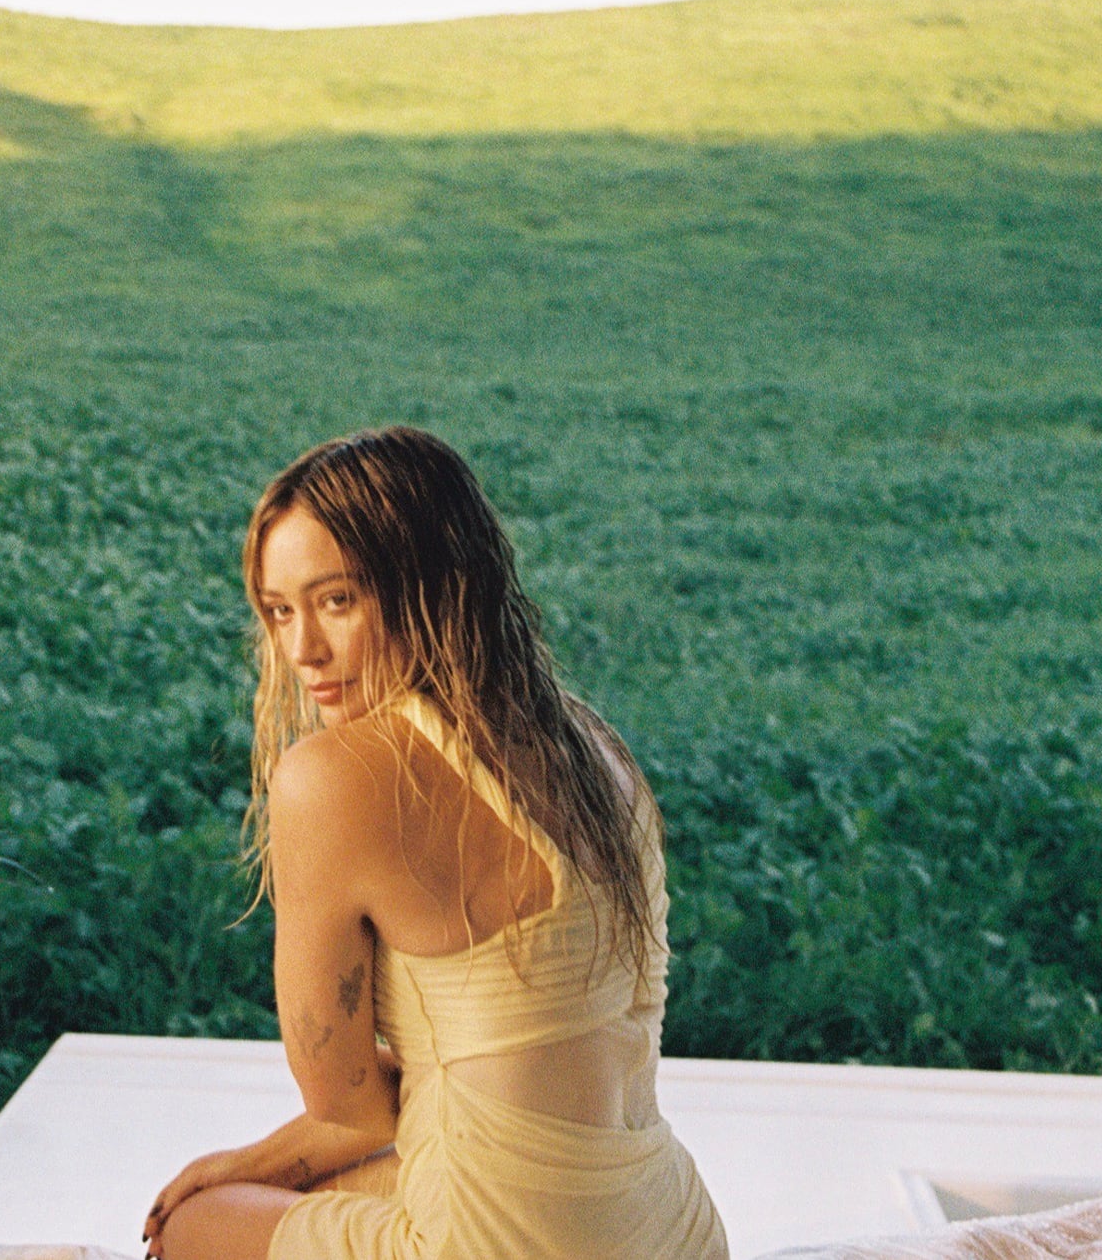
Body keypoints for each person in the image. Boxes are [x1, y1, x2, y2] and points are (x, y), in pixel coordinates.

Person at [144, 427, 729, 1260]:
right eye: (279, 611)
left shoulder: (332, 777)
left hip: (496, 1248)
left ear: (429, 582)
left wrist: (234, 1167)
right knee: (353, 1174)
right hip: (673, 1232)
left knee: (192, 1224)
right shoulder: (593, 746)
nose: (302, 650)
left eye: (336, 600)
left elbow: (347, 1106)